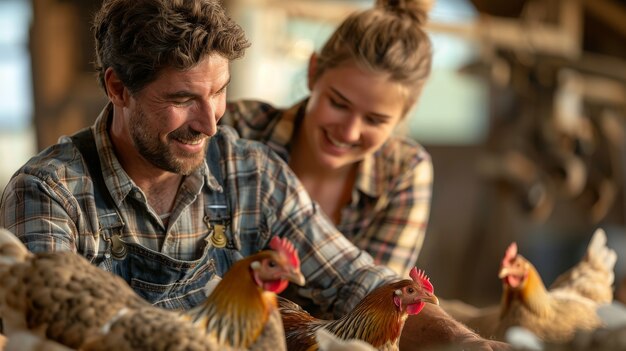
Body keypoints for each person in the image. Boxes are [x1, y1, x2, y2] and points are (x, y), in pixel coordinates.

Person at [0, 0, 507, 349]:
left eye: (219, 91)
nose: (209, 121)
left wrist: (466, 342)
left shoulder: (251, 170)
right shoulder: (51, 193)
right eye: (182, 100)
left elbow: (354, 279)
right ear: (117, 87)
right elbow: (46, 338)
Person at [222, 0, 433, 278]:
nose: (348, 132)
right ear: (313, 71)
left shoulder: (404, 171)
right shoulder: (238, 128)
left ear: (405, 113)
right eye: (338, 104)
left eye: (374, 120)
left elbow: (373, 306)